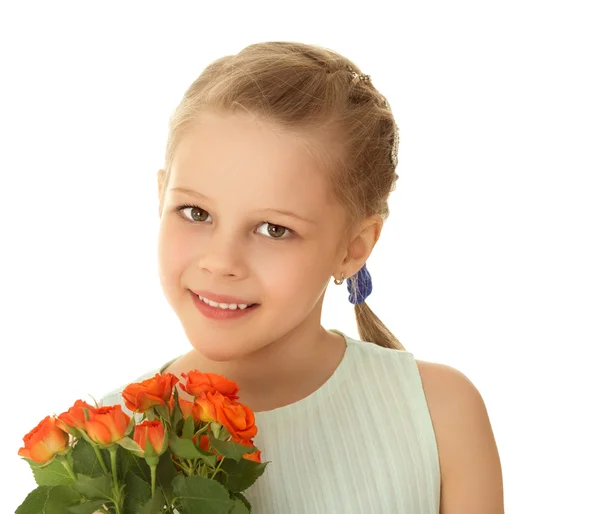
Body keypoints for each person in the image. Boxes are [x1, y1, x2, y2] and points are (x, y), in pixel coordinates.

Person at [100, 41, 504, 513]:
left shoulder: (439, 416)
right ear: (161, 196)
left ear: (354, 247)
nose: (221, 260)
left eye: (274, 229)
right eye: (195, 212)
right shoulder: (113, 443)